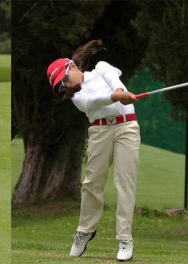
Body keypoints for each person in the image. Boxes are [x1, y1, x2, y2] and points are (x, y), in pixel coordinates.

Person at [46, 40, 140, 262]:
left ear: (73, 67)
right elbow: (94, 102)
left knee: (125, 182)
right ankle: (85, 231)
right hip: (99, 132)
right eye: (62, 87)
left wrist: (118, 90)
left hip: (127, 126)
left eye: (65, 80)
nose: (66, 86)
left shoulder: (101, 68)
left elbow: (113, 78)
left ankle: (125, 238)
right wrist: (116, 97)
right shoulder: (77, 97)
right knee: (92, 183)